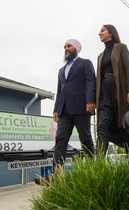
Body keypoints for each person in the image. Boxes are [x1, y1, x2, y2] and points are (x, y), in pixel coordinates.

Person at [34, 39, 96, 185]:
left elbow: (91, 82)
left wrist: (90, 100)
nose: (66, 48)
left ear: (77, 48)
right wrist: (56, 109)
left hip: (82, 107)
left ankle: (94, 169)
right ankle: (56, 175)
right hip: (64, 111)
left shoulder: (85, 63)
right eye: (64, 47)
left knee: (85, 139)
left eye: (69, 46)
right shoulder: (61, 71)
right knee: (60, 140)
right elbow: (60, 90)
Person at [95, 24, 129, 156]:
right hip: (104, 94)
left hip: (120, 93)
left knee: (125, 127)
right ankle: (99, 163)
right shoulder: (100, 56)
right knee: (102, 126)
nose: (99, 33)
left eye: (102, 31)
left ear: (111, 33)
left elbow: (128, 69)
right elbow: (98, 78)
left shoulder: (121, 48)